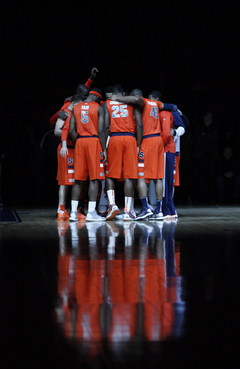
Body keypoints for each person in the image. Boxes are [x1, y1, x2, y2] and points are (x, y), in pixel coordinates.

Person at [126, 89, 177, 220]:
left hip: (148, 140)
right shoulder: (157, 104)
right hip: (158, 140)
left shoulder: (144, 102)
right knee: (158, 177)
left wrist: (117, 98)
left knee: (140, 175)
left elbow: (137, 100)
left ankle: (145, 207)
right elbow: (173, 106)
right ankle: (158, 211)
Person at [103, 84, 143, 221]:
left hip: (114, 138)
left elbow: (106, 126)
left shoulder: (107, 104)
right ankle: (127, 211)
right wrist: (138, 145)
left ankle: (113, 204)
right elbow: (140, 124)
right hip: (130, 139)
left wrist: (103, 148)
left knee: (109, 174)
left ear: (113, 94)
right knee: (129, 176)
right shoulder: (132, 103)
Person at [68, 88, 107, 222]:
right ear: (97, 97)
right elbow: (101, 130)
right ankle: (91, 212)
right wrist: (104, 149)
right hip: (94, 141)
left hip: (80, 142)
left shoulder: (76, 107)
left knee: (78, 179)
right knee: (94, 178)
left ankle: (73, 212)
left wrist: (77, 141)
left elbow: (72, 129)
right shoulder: (98, 108)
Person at [54, 85, 89, 220]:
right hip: (66, 149)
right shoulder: (66, 113)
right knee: (64, 181)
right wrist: (68, 133)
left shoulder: (82, 115)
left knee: (78, 180)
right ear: (74, 103)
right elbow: (57, 130)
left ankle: (76, 209)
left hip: (79, 150)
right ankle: (61, 209)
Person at [159, 106, 184, 218]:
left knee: (168, 180)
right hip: (166, 149)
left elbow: (184, 125)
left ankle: (168, 208)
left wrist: (174, 132)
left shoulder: (168, 112)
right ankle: (166, 208)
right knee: (164, 180)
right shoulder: (155, 111)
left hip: (167, 149)